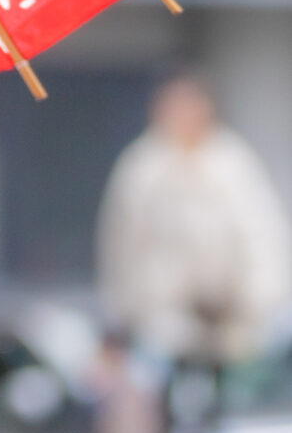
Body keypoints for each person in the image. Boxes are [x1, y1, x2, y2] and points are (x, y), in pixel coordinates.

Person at [97, 76, 292, 375]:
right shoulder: (142, 167)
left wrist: (261, 297)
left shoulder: (233, 161)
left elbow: (261, 233)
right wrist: (123, 310)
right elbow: (122, 243)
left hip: (232, 317)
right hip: (163, 317)